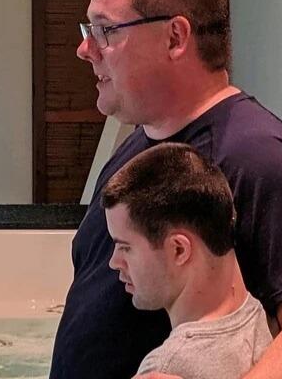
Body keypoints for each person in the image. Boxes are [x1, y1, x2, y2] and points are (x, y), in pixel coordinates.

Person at [50, 0, 282, 379]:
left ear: (175, 37)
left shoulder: (255, 155)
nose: (85, 48)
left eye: (105, 30)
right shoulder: (141, 145)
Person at [102, 142, 272, 378]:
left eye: (125, 247)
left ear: (179, 249)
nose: (114, 262)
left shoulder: (167, 367)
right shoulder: (274, 329)